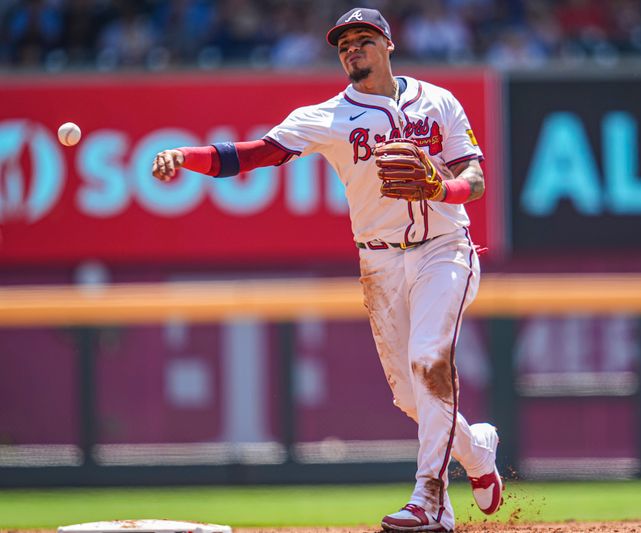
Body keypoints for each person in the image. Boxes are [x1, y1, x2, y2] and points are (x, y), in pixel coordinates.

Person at [152, 7, 503, 532]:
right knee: (411, 396)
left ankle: (430, 499)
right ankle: (477, 450)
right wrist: (187, 154)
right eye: (343, 44)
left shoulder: (438, 101)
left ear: (387, 44)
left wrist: (441, 188)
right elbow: (252, 155)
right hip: (379, 258)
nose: (351, 49)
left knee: (430, 360)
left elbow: (473, 178)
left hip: (444, 247)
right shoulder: (326, 117)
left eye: (362, 39)